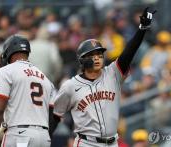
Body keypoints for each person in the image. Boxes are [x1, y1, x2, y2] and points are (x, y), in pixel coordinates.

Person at [52, 8, 156, 147]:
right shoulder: (70, 85)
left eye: (100, 54)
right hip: (86, 143)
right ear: (82, 60)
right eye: (92, 55)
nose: (97, 58)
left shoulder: (112, 74)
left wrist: (141, 29)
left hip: (112, 143)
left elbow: (128, 53)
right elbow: (56, 115)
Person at [0, 34, 56, 147]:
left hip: (19, 135)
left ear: (8, 52)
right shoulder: (45, 78)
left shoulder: (5, 71)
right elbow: (54, 116)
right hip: (43, 137)